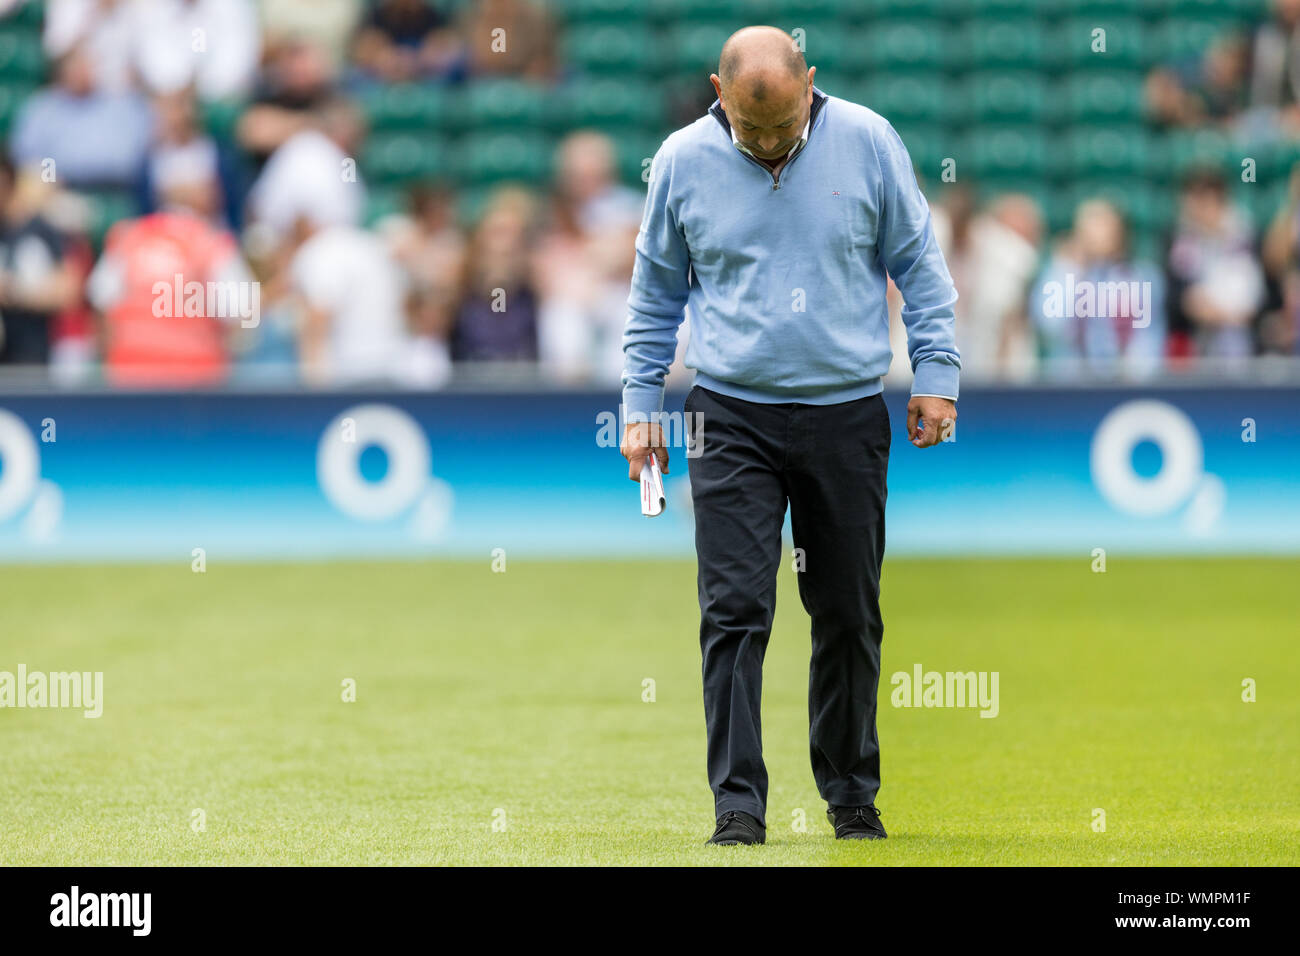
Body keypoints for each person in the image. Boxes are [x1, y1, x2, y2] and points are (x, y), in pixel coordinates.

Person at [619, 27, 960, 845]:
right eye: (752, 129)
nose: (770, 145)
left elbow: (920, 265)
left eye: (784, 126)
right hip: (729, 413)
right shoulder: (679, 161)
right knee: (733, 610)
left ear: (810, 81)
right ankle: (737, 807)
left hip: (846, 411)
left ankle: (850, 796)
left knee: (848, 611)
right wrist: (639, 404)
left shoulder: (871, 141)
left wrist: (937, 373)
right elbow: (654, 295)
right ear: (719, 92)